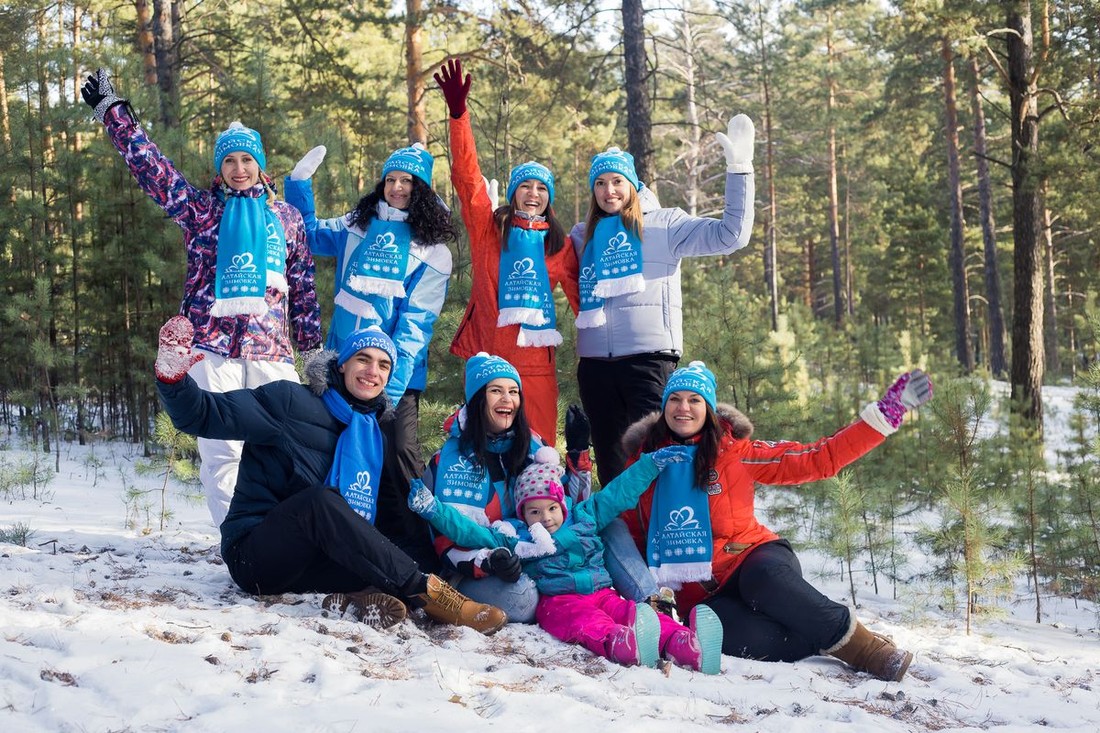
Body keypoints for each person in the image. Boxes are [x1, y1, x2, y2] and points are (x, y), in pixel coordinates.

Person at [153, 316, 506, 635]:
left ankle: (357, 599)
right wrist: (174, 380)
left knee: (412, 542)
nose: (373, 371)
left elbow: (384, 517)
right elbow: (203, 414)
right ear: (342, 364)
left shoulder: (378, 432)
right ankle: (433, 597)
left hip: (322, 560)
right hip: (259, 557)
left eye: (384, 365)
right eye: (364, 359)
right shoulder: (289, 402)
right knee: (321, 501)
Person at [81, 68, 323, 528]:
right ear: (219, 168)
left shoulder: (287, 218)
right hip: (213, 350)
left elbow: (304, 288)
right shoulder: (201, 212)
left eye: (246, 161)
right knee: (223, 452)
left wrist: (314, 356)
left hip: (272, 351)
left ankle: (285, 533)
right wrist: (116, 115)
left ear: (260, 165)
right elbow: (154, 171)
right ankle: (237, 539)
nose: (238, 170)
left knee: (287, 444)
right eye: (229, 161)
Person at [619, 361, 933, 681]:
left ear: (709, 408)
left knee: (764, 580)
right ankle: (818, 636)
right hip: (703, 596)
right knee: (719, 632)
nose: (683, 407)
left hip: (752, 558)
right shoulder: (643, 465)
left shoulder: (734, 452)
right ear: (664, 404)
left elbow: (817, 458)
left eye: (694, 399)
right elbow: (630, 532)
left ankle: (868, 651)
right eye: (675, 399)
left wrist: (883, 416)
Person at [410, 445, 724, 673]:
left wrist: (651, 465)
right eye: (534, 511)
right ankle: (621, 644)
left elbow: (619, 493)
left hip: (601, 592)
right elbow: (469, 532)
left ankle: (685, 644)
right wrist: (433, 509)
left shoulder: (585, 516)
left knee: (630, 611)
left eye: (551, 508)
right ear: (522, 513)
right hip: (559, 601)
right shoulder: (516, 535)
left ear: (563, 504)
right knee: (587, 623)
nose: (544, 517)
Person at [571, 121, 755, 487]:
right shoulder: (582, 235)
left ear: (633, 185)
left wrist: (739, 171)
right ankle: (619, 543)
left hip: (648, 364)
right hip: (595, 368)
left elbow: (731, 236)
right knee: (611, 472)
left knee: (661, 466)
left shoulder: (665, 225)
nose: (610, 190)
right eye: (601, 183)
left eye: (617, 181)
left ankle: (664, 539)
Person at [436, 58, 580, 445]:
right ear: (514, 191)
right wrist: (458, 115)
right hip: (489, 362)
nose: (533, 194)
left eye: (541, 189)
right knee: (487, 456)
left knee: (541, 453)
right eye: (525, 186)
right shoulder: (489, 229)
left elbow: (584, 303)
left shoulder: (558, 245)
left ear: (549, 198)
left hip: (536, 367)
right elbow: (467, 178)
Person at [283, 142, 455, 463]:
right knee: (327, 454)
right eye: (390, 180)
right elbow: (306, 234)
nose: (397, 187)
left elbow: (414, 328)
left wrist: (385, 393)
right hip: (342, 363)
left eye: (407, 181)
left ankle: (410, 514)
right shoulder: (356, 227)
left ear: (421, 190)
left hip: (392, 377)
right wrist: (299, 184)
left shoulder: (431, 252)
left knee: (396, 456)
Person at [419, 353, 590, 624]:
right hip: (481, 568)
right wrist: (490, 560)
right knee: (523, 601)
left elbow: (572, 506)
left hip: (546, 550)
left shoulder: (533, 446)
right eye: (495, 391)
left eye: (513, 391)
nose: (507, 399)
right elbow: (444, 541)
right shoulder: (447, 462)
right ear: (477, 399)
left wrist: (578, 455)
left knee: (613, 527)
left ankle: (651, 602)